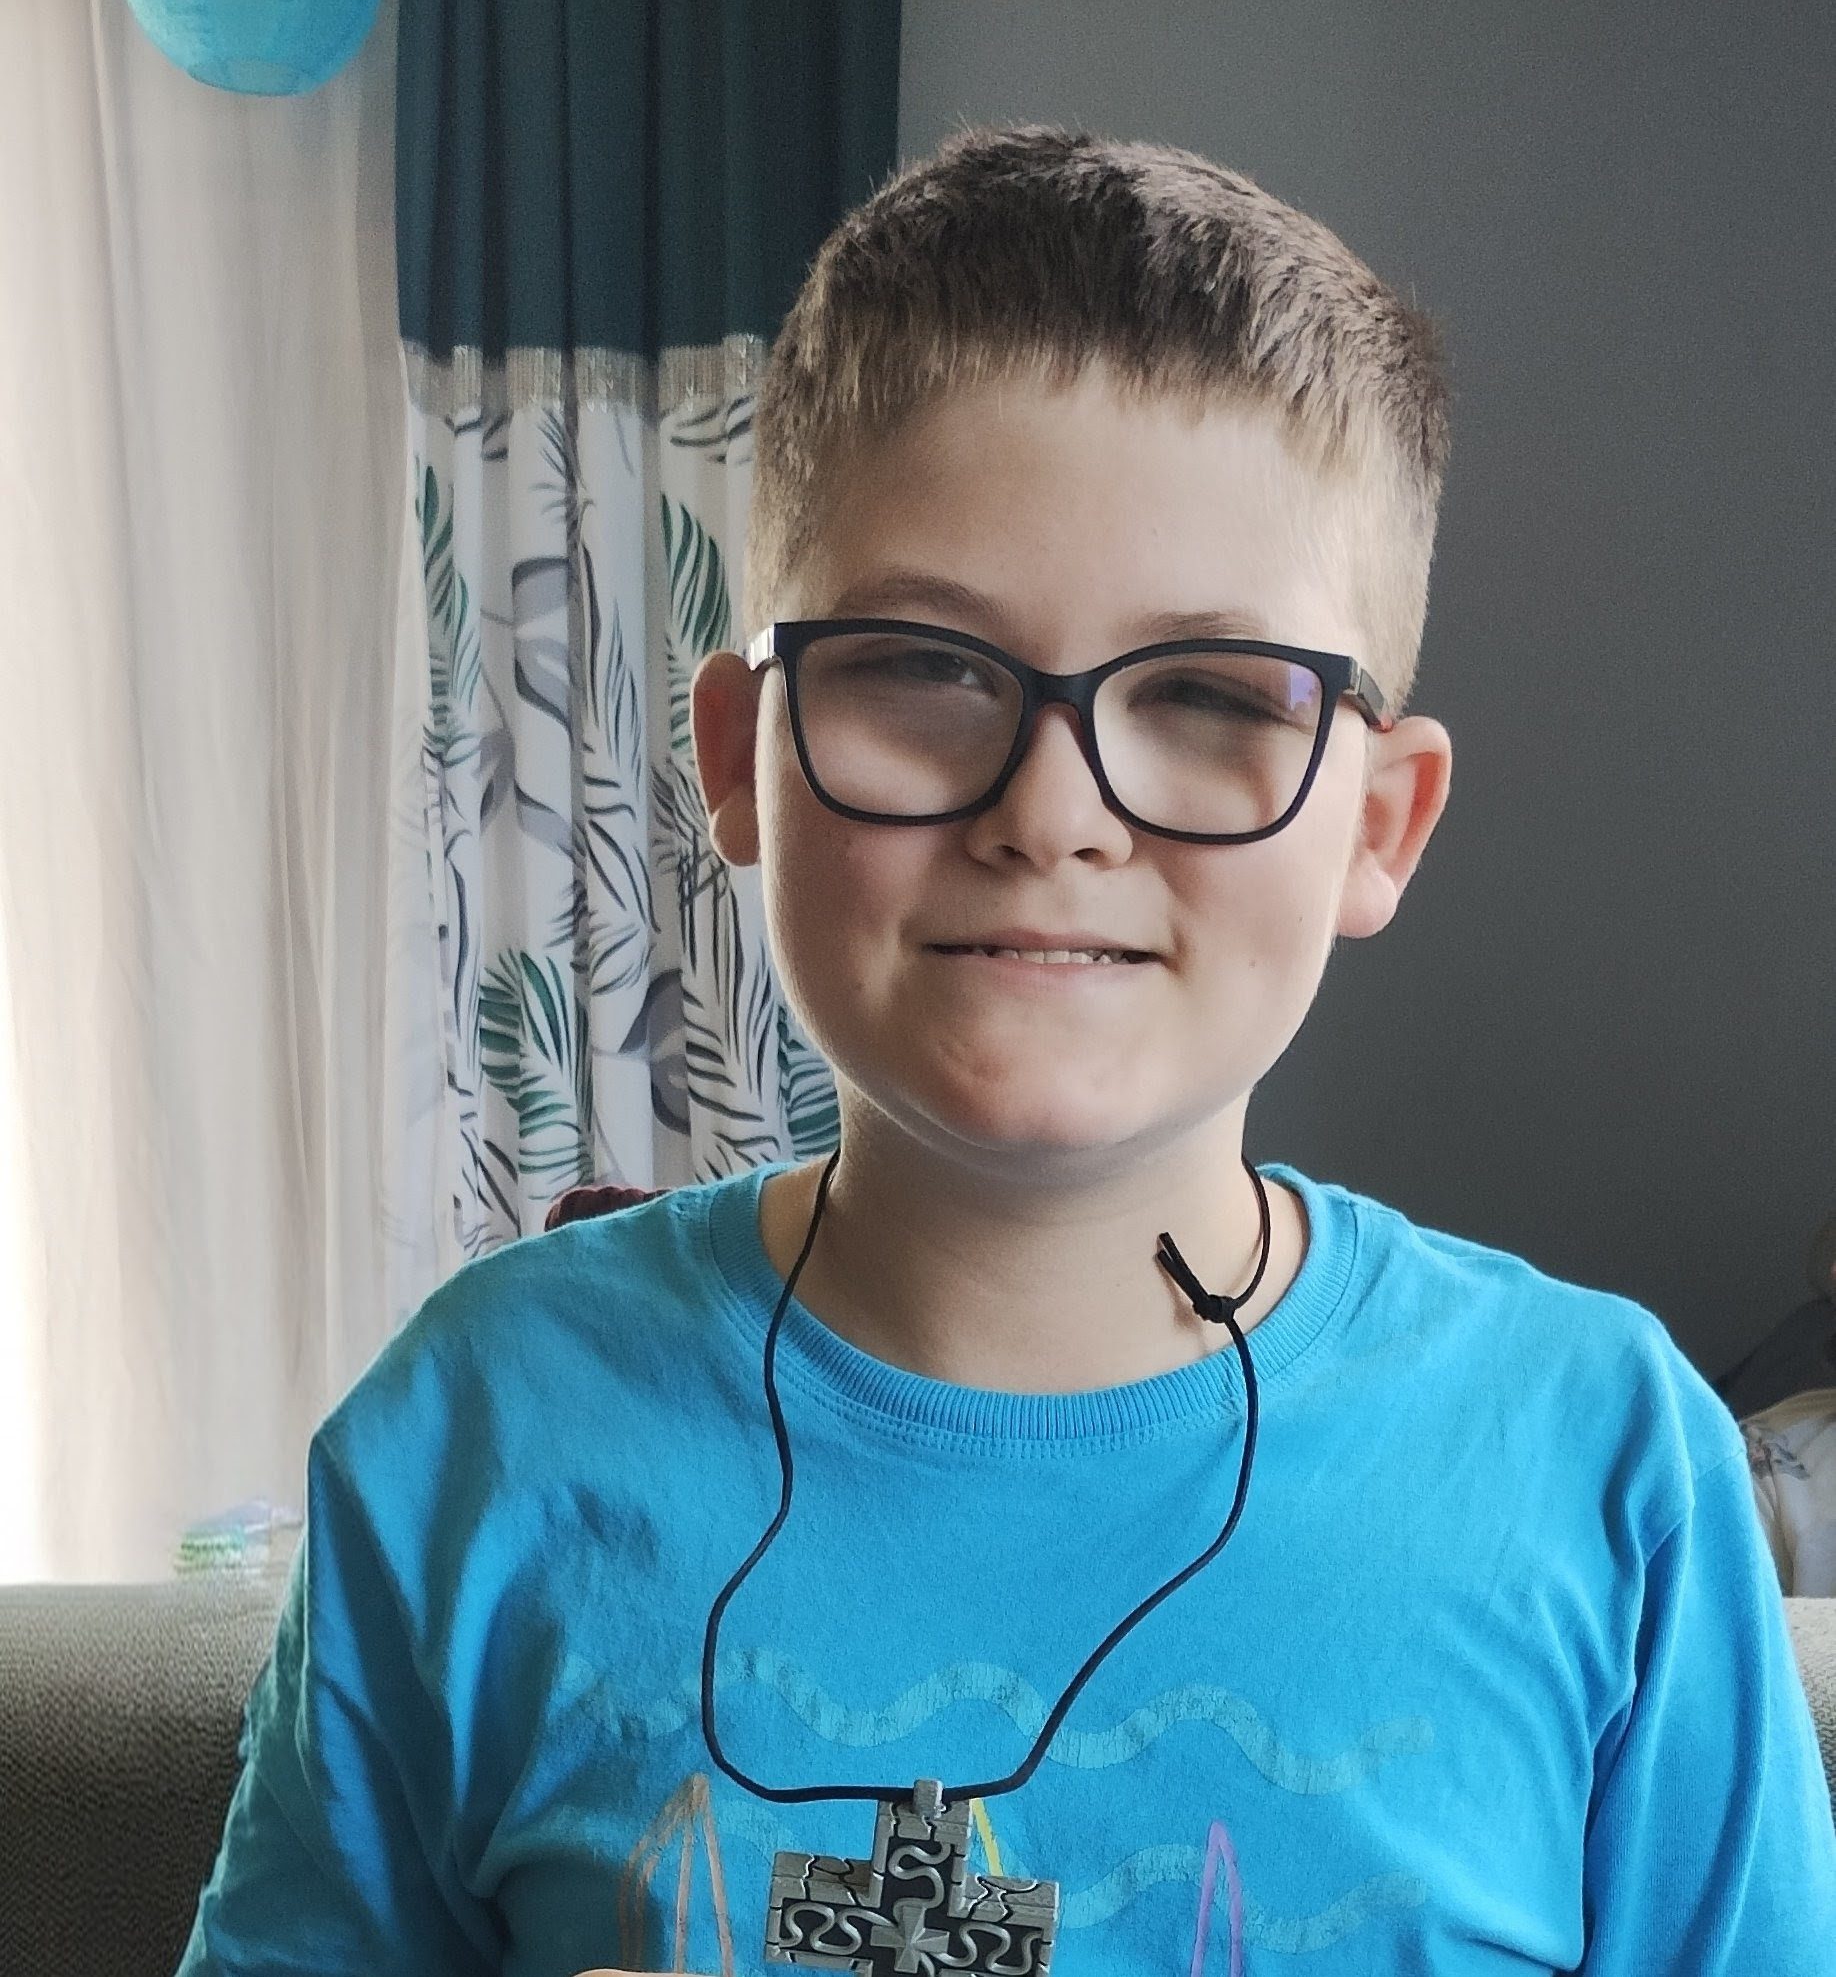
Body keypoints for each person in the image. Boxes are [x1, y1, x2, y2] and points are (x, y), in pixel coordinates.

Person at [176, 124, 1836, 1976]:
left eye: (1209, 695)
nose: (1052, 813)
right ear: (738, 758)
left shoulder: (1611, 1468)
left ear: (1381, 823)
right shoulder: (471, 1436)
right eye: (924, 667)